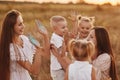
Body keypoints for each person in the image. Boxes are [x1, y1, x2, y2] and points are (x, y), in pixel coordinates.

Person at [0, 10, 50, 80]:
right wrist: (38, 52)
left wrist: (46, 36)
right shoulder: (12, 48)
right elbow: (34, 71)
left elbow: (46, 54)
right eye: (20, 24)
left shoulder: (25, 39)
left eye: (22, 23)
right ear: (11, 27)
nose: (23, 26)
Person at [50, 15, 68, 80]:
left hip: (60, 66)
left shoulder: (59, 36)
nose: (65, 29)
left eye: (66, 27)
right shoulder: (55, 38)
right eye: (63, 27)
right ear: (55, 29)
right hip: (58, 68)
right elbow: (61, 53)